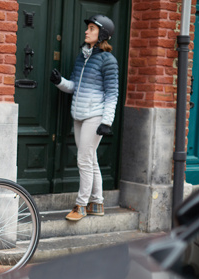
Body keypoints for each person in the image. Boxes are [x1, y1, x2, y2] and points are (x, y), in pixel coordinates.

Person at [50, 14, 119, 221]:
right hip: (79, 115)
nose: (86, 31)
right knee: (90, 159)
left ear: (102, 34)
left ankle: (80, 206)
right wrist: (59, 81)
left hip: (95, 117)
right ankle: (97, 203)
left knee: (83, 160)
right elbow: (74, 87)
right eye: (87, 28)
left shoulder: (108, 61)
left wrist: (106, 122)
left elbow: (112, 94)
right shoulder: (83, 57)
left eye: (91, 28)